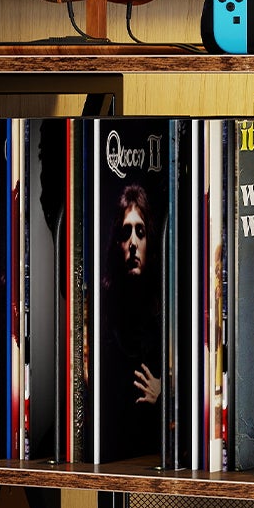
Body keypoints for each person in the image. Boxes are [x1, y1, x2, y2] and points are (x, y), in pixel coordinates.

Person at [99, 182, 162, 458]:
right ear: (117, 242)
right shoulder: (103, 311)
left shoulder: (167, 314)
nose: (134, 243)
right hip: (112, 455)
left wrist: (164, 394)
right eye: (126, 232)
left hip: (154, 455)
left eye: (140, 232)